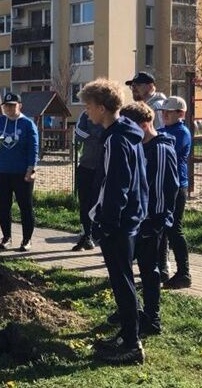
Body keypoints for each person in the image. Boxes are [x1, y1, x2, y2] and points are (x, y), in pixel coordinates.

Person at [80, 79, 148, 365]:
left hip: (118, 222)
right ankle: (125, 333)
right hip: (128, 218)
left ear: (103, 108)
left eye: (88, 106)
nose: (86, 112)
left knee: (122, 282)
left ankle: (132, 345)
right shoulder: (123, 134)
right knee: (123, 280)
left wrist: (105, 222)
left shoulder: (117, 140)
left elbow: (115, 185)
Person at [118, 101, 179, 336]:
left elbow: (167, 189)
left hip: (151, 221)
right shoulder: (136, 146)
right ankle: (132, 308)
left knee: (149, 270)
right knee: (123, 266)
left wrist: (156, 222)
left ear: (144, 125)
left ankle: (152, 318)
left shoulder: (161, 149)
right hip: (134, 219)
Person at [0, 93, 40, 252]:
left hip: (22, 173)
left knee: (25, 206)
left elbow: (34, 147)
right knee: (3, 206)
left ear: (19, 105)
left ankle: (27, 239)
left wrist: (31, 168)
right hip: (2, 171)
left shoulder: (27, 124)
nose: (9, 108)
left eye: (12, 105)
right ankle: (6, 237)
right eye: (6, 105)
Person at [158, 96, 193, 289]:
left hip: (177, 186)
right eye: (163, 112)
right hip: (163, 186)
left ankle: (183, 273)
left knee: (174, 229)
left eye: (168, 112)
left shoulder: (181, 132)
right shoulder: (164, 130)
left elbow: (165, 145)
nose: (164, 115)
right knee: (161, 228)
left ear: (180, 113)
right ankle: (162, 267)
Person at [73, 109, 105, 250]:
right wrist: (96, 137)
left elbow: (108, 136)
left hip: (104, 167)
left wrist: (93, 136)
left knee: (100, 203)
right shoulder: (86, 114)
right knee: (84, 203)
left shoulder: (110, 113)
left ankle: (100, 235)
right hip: (86, 165)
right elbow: (78, 134)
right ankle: (86, 235)